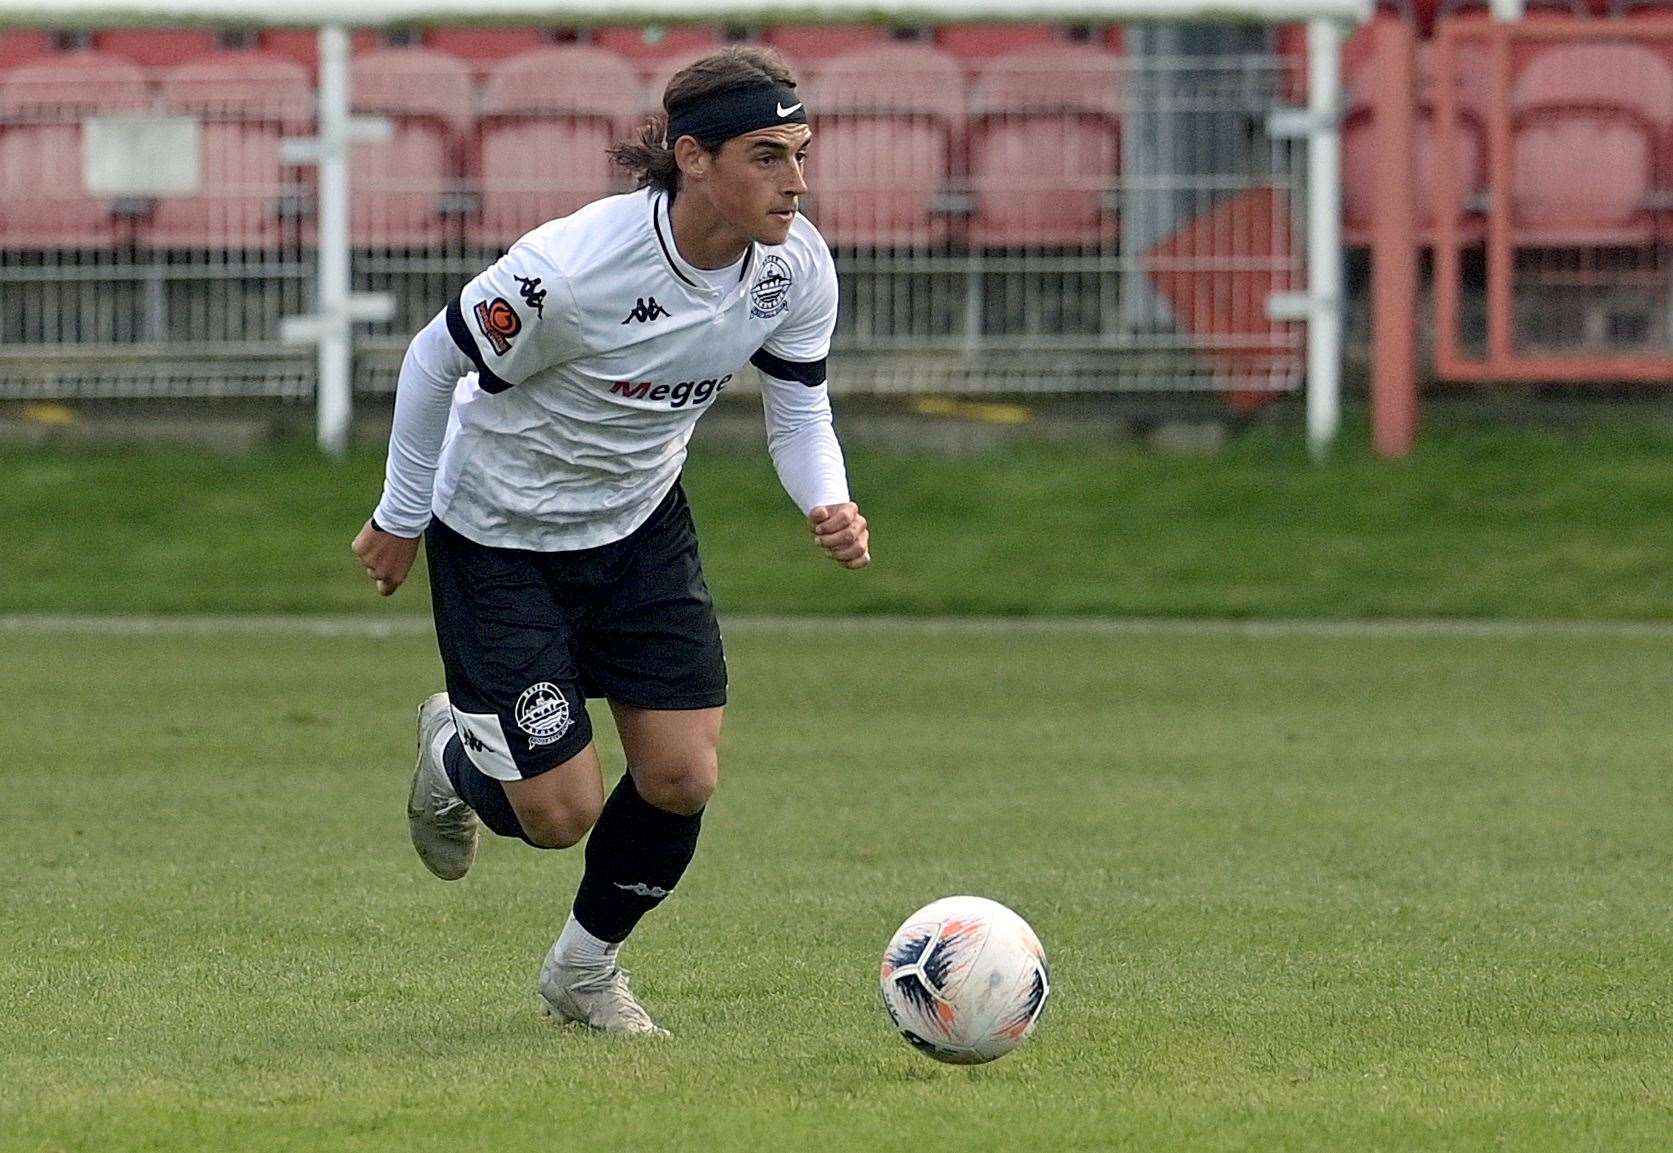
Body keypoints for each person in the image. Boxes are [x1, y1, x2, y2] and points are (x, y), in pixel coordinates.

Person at [350, 46, 868, 1036]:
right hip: (498, 533)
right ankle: (456, 748)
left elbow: (800, 409)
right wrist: (399, 515)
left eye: (800, 153)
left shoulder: (793, 267)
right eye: (766, 155)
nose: (794, 181)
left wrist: (826, 501)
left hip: (637, 526)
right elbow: (431, 360)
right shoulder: (572, 269)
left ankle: (583, 973)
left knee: (682, 775)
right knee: (553, 815)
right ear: (693, 157)